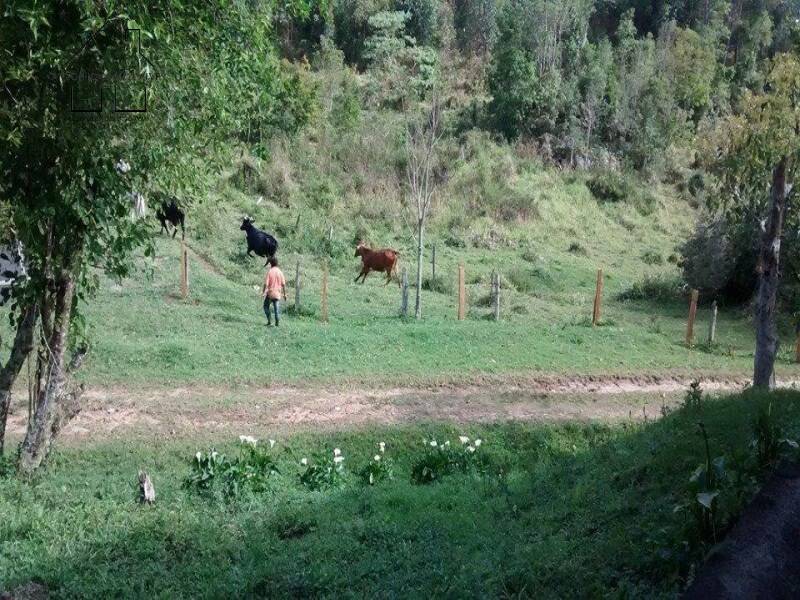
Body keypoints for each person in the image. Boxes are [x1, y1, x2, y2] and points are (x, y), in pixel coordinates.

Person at [262, 256, 286, 326]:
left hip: (270, 293)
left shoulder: (270, 271)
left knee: (266, 306)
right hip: (278, 294)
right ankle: (277, 321)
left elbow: (266, 284)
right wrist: (284, 294)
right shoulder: (280, 272)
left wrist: (263, 292)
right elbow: (283, 284)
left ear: (271, 263)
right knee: (276, 309)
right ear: (277, 263)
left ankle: (269, 321)